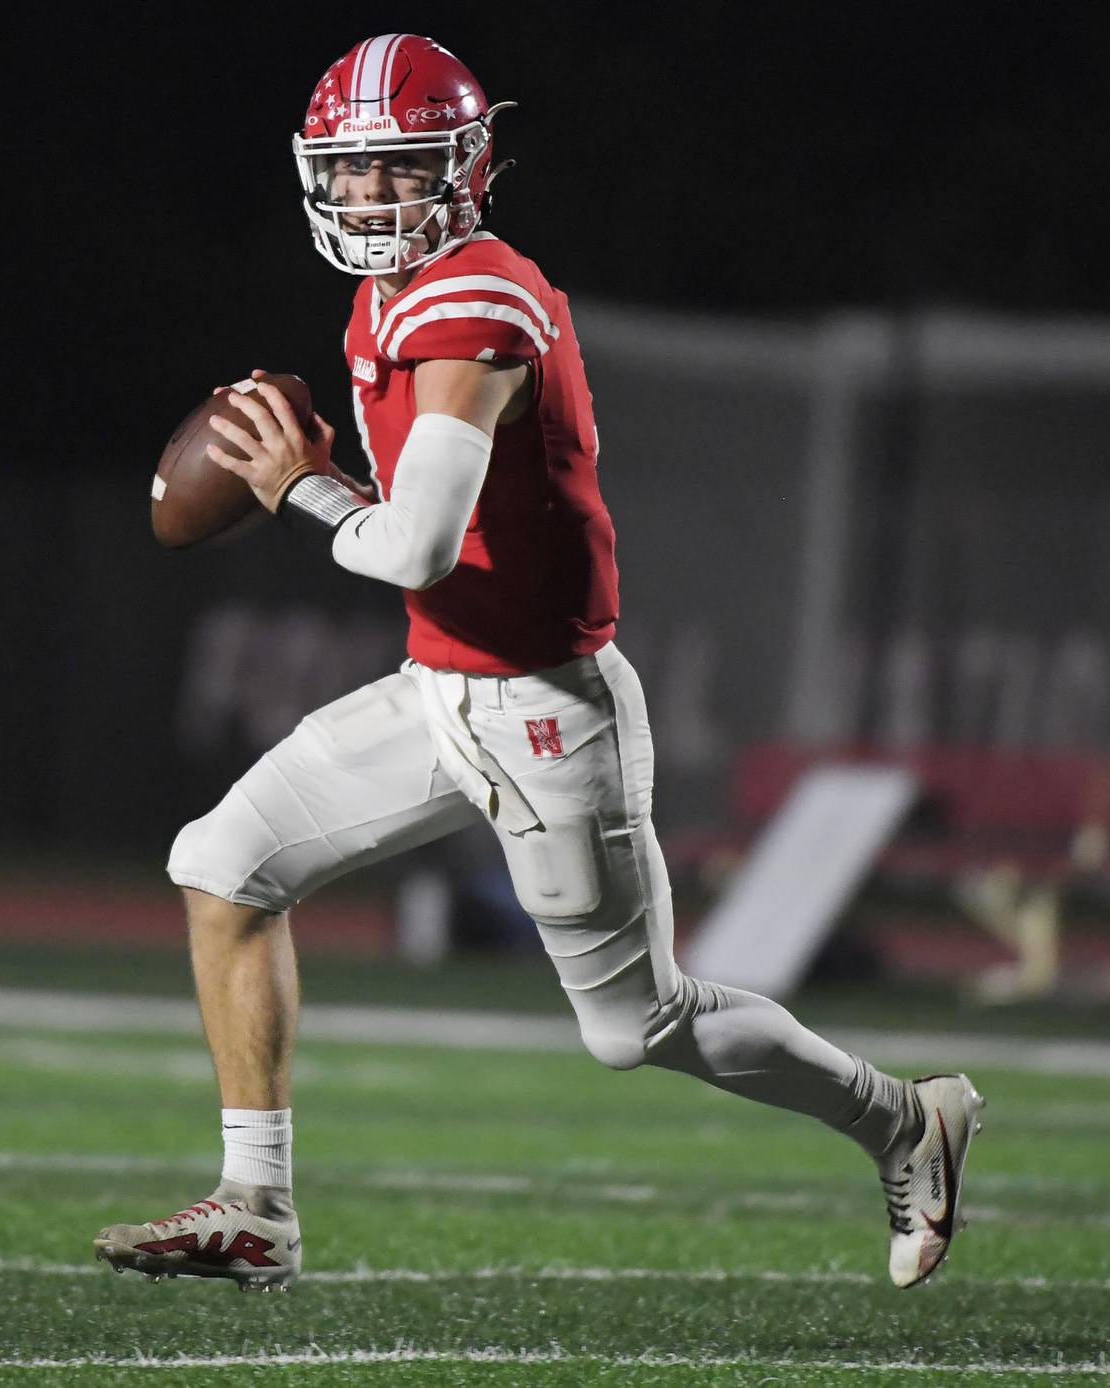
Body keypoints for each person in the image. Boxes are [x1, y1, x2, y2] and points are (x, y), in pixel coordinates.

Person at [94, 34, 982, 1293]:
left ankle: (906, 1116)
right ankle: (257, 1206)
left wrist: (300, 488)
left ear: (467, 169)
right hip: (441, 686)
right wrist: (324, 488)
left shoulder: (472, 302)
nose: (365, 199)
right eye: (346, 172)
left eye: (397, 171)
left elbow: (415, 543)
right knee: (222, 865)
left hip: (548, 712)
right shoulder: (391, 295)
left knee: (637, 1026)